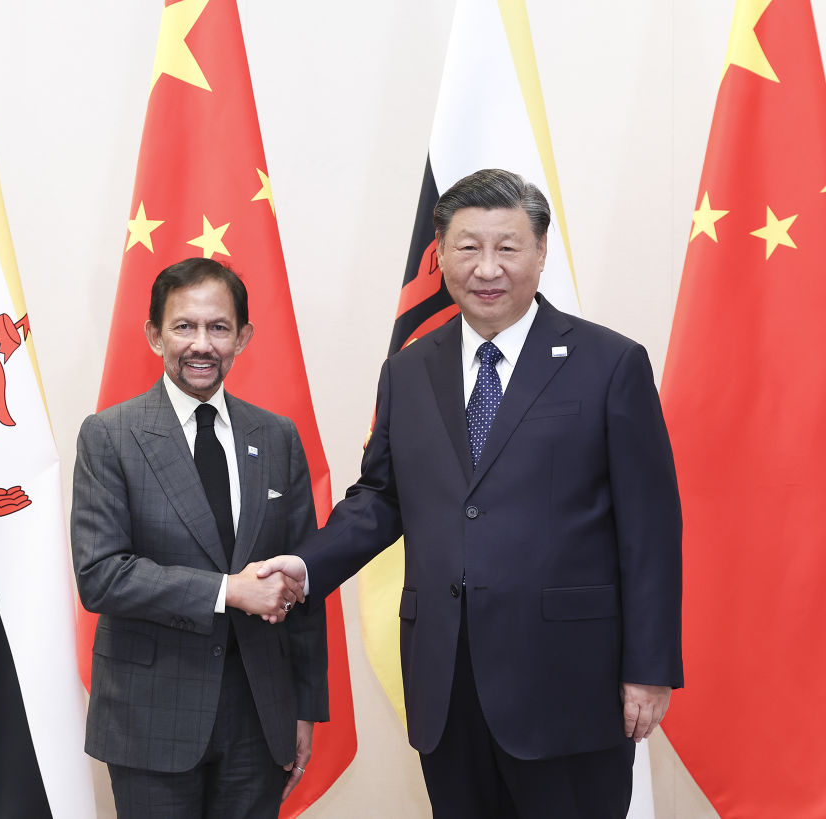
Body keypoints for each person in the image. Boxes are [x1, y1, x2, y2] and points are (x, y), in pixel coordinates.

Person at [260, 169, 682, 818]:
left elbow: (650, 528)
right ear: (440, 254)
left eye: (507, 247)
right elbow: (382, 497)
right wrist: (306, 564)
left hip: (569, 683)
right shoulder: (408, 370)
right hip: (447, 682)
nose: (488, 268)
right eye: (467, 247)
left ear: (540, 252)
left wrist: (649, 667)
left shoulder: (609, 364)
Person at [71, 257, 328, 818]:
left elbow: (305, 578)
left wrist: (304, 708)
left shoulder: (277, 437)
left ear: (243, 337)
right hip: (150, 714)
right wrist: (228, 590)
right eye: (184, 326)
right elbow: (100, 576)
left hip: (260, 714)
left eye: (219, 327)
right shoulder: (110, 436)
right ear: (154, 335)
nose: (202, 345)